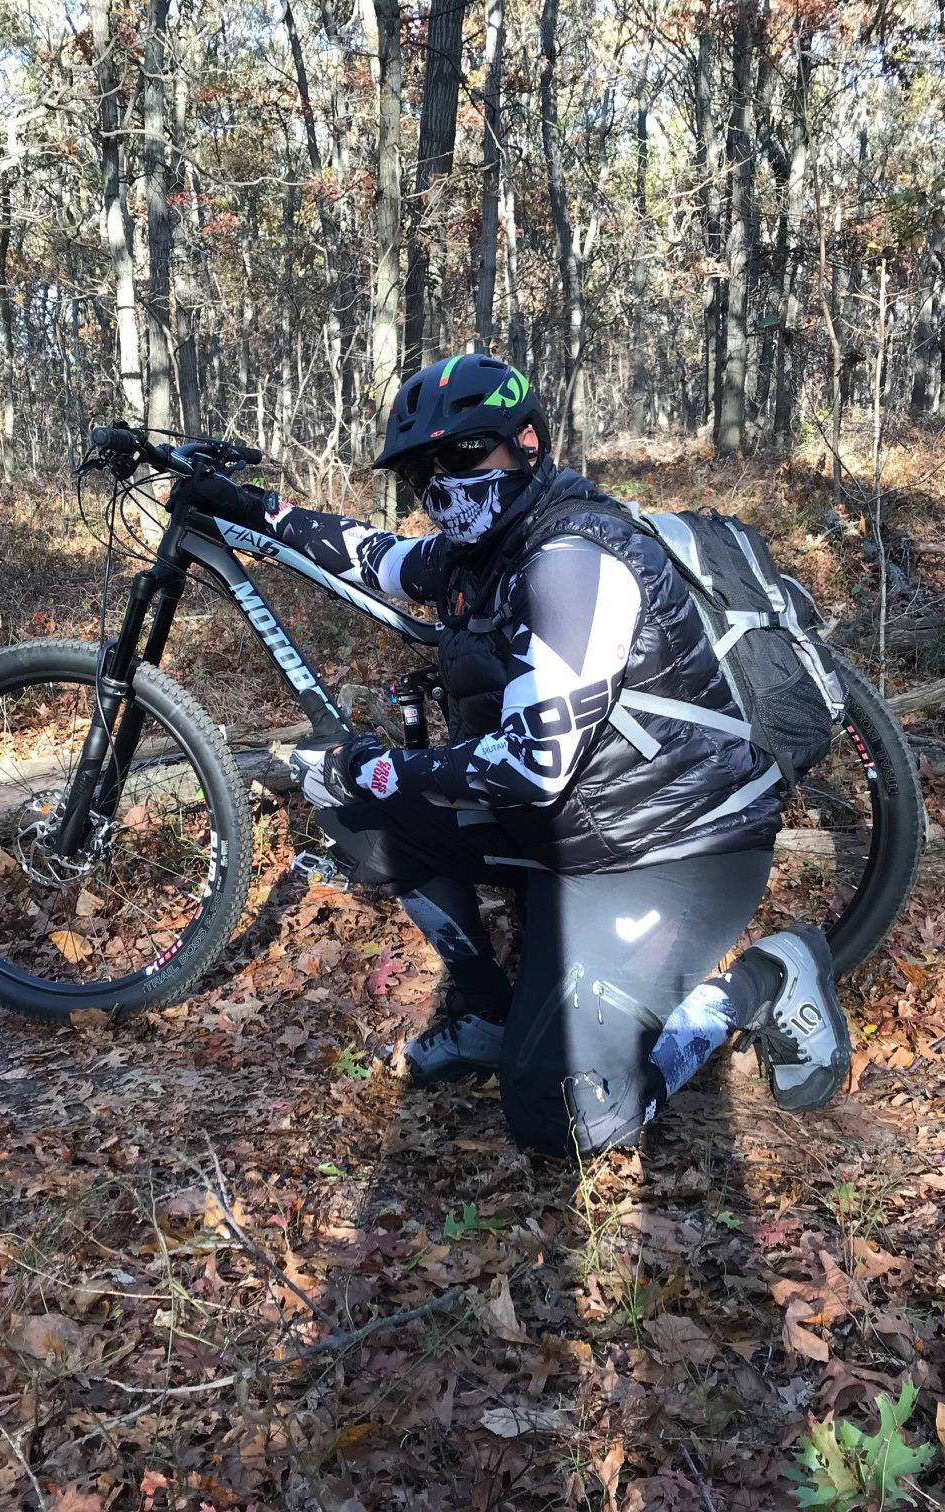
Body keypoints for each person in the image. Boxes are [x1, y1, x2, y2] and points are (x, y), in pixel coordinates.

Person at [173, 356, 850, 1159]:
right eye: (424, 470)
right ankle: (493, 1014)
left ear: (527, 443)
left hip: (672, 844)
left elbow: (532, 765)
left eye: (465, 456)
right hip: (582, 824)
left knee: (567, 1120)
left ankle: (766, 981)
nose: (443, 485)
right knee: (356, 812)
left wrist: (371, 767)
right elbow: (372, 556)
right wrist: (255, 508)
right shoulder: (483, 545)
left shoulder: (572, 562)